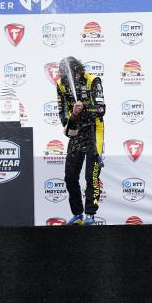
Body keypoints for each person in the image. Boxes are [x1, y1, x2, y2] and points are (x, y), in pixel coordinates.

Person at [56, 56, 106, 225]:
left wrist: (84, 107)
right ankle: (78, 214)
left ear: (78, 69)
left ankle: (90, 215)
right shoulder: (61, 84)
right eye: (64, 73)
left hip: (93, 129)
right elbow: (62, 111)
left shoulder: (93, 80)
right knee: (70, 176)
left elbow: (101, 109)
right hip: (77, 132)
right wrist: (71, 119)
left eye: (72, 73)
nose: (70, 77)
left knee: (91, 176)